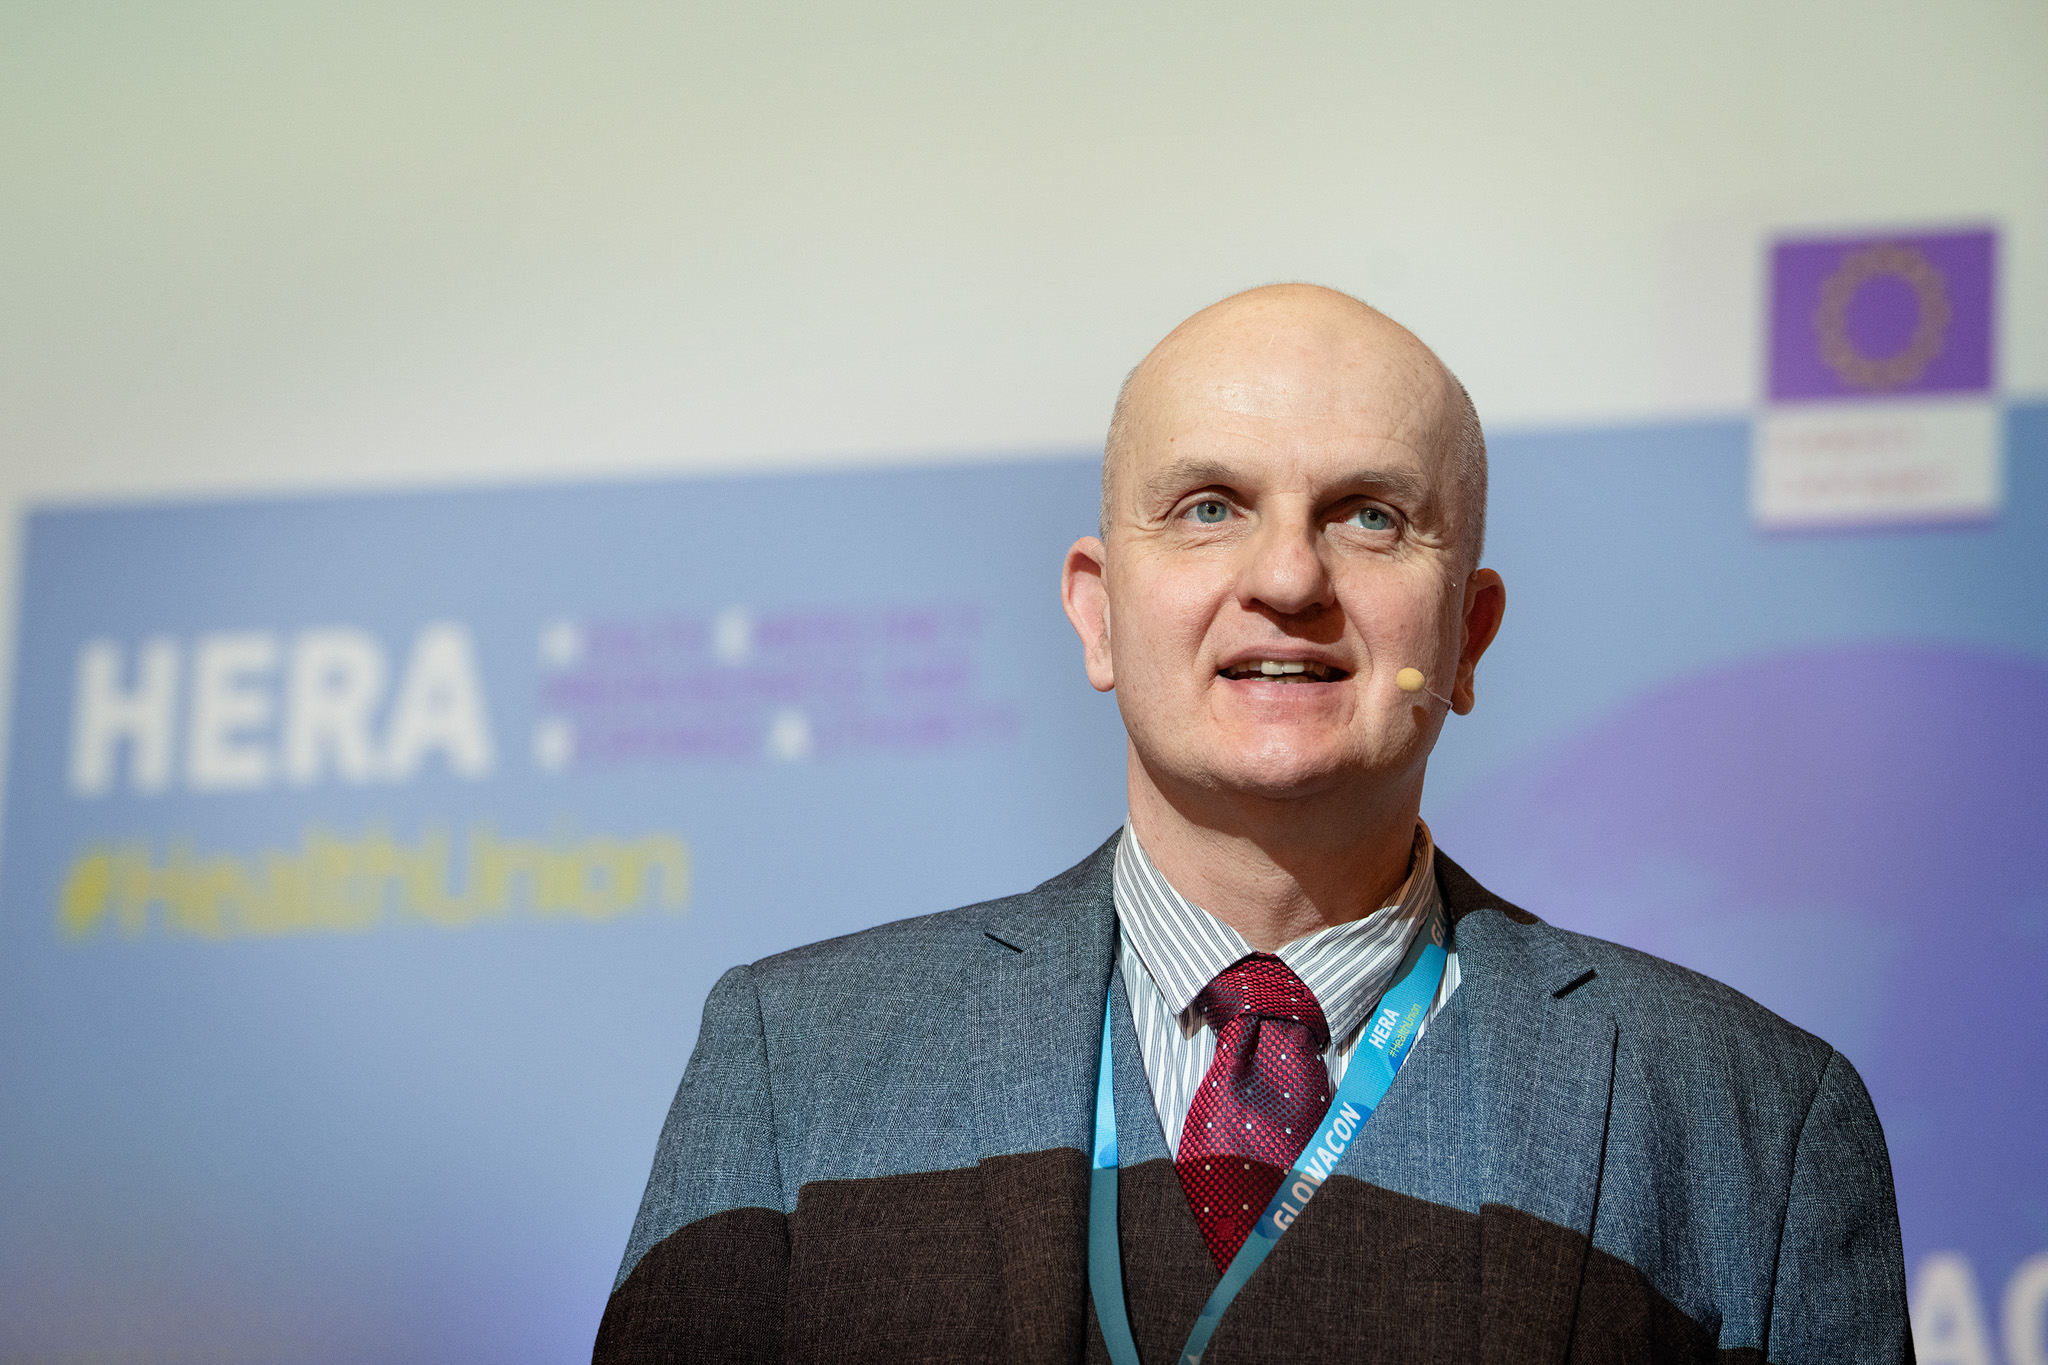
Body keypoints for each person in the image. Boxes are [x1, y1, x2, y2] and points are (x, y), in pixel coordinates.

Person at [593, 285, 1911, 1363]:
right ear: (1099, 612)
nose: (1286, 577)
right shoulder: (798, 1066)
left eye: (1370, 515)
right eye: (1210, 507)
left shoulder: (1753, 1124)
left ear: (1469, 633)